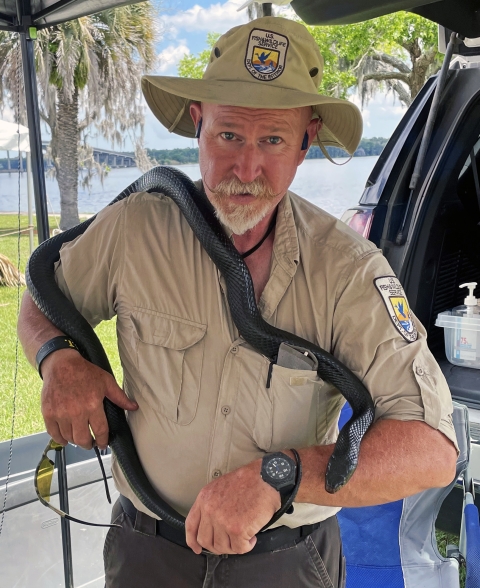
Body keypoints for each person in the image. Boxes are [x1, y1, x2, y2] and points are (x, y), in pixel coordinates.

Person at [18, 16, 458, 588]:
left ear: (306, 142)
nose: (245, 169)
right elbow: (41, 297)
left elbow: (431, 449)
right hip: (145, 552)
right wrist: (58, 357)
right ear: (197, 124)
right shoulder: (133, 228)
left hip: (287, 562)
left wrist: (282, 476)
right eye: (228, 135)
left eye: (272, 140)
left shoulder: (349, 271)